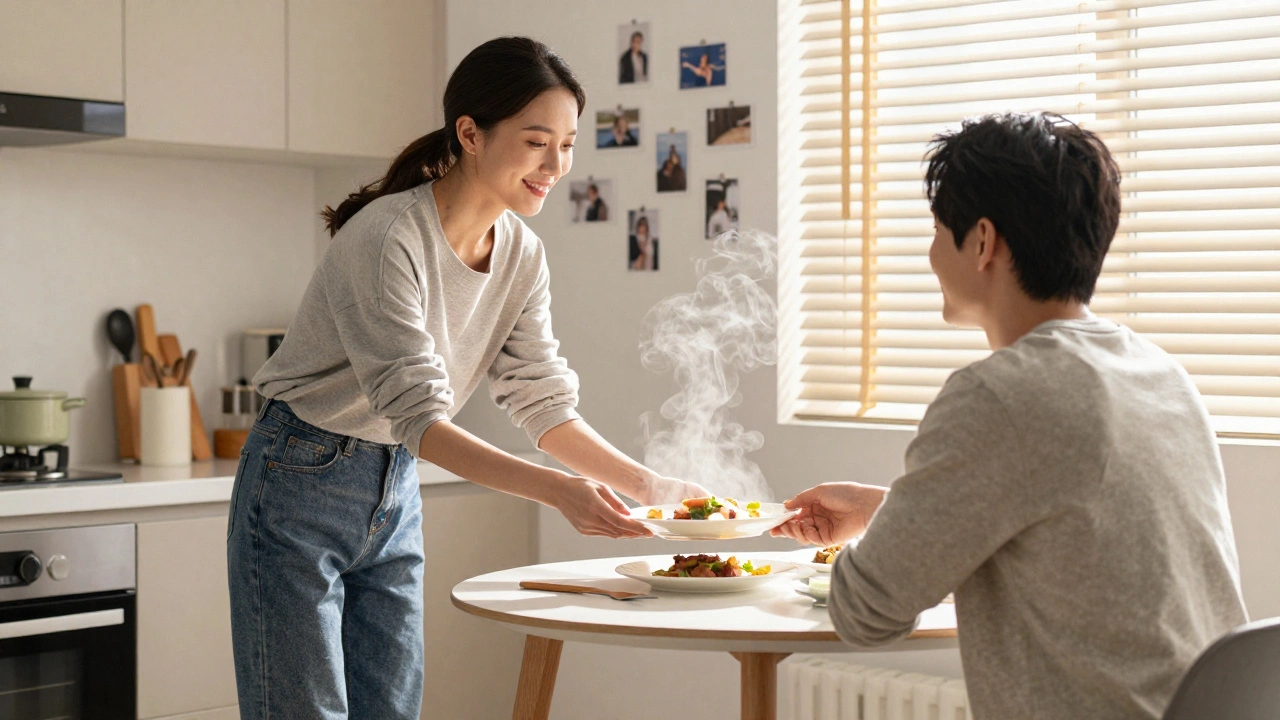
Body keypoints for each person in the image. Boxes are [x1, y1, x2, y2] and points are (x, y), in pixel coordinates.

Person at [227, 37, 706, 720]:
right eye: (538, 141)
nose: (556, 165)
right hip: (298, 478)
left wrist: (649, 488)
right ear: (470, 134)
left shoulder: (522, 254)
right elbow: (419, 418)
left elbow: (542, 401)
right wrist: (561, 492)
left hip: (394, 487)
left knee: (391, 709)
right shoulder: (388, 237)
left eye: (567, 144)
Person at [773, 112, 1247, 720]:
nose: (930, 253)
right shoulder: (1160, 375)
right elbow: (1065, 519)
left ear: (984, 241)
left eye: (939, 229)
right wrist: (888, 511)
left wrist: (891, 539)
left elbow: (865, 612)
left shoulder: (998, 395)